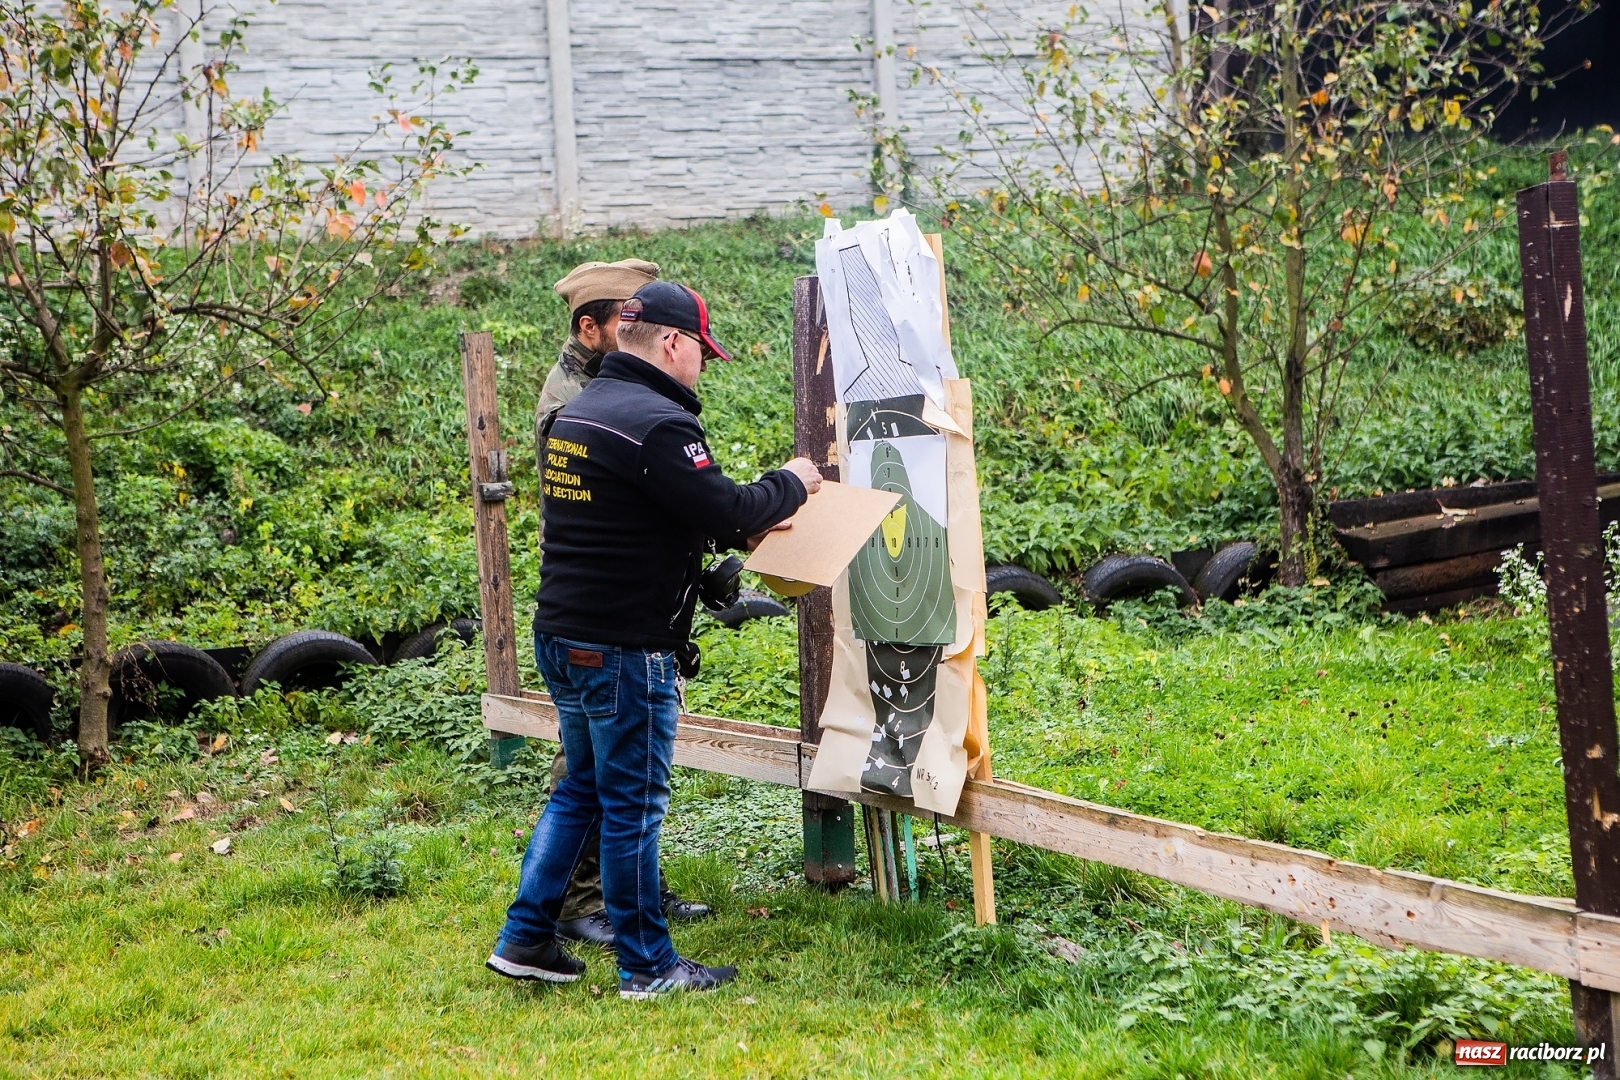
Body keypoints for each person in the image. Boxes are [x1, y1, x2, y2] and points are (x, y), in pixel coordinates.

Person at [487, 281, 823, 998]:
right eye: (702, 351)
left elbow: (647, 514)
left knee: (580, 792)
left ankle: (525, 940)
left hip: (563, 634)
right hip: (622, 647)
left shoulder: (581, 412)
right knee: (634, 805)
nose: (703, 365)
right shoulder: (659, 423)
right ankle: (647, 966)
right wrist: (793, 481)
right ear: (672, 344)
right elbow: (730, 510)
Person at [534, 258, 712, 949]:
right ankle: (592, 909)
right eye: (625, 317)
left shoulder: (617, 386)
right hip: (605, 606)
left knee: (616, 774)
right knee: (602, 778)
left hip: (605, 604)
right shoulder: (576, 401)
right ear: (593, 327)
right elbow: (613, 508)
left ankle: (560, 921)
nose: (638, 325)